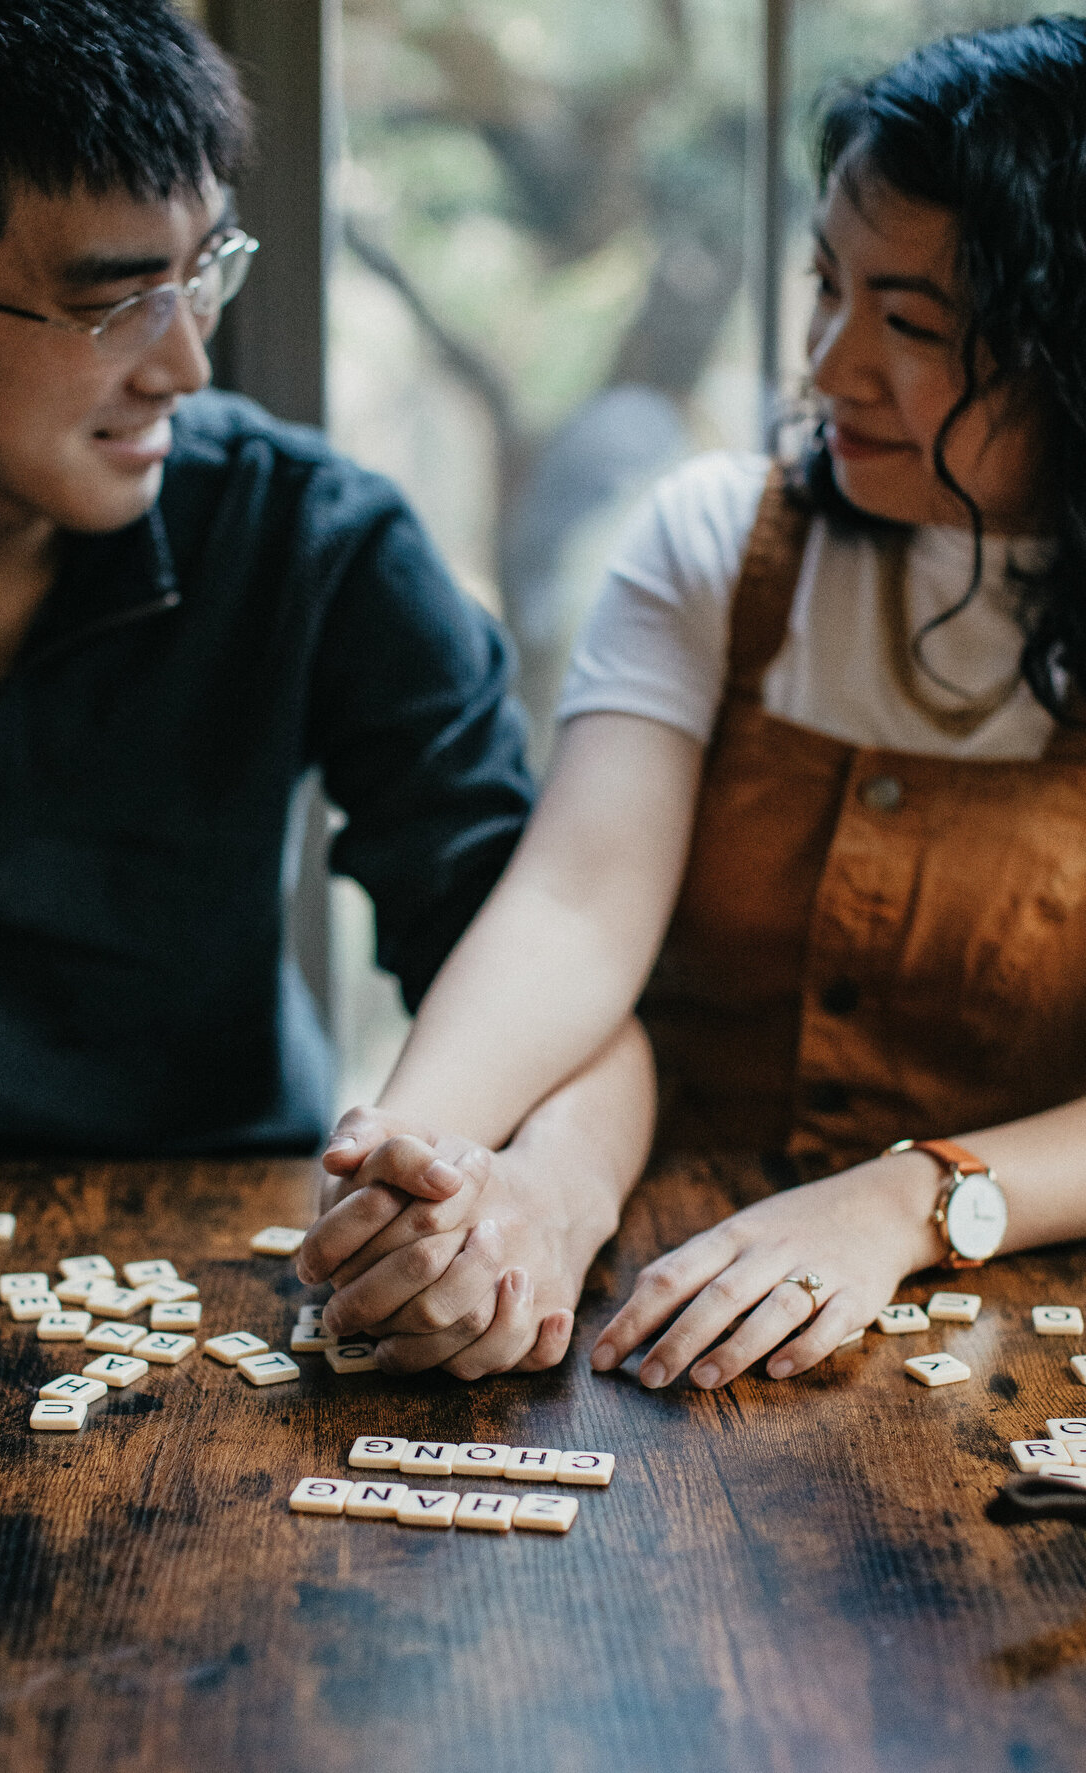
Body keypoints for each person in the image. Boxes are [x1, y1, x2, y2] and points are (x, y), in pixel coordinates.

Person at [301, 15, 1086, 1388]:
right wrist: (403, 1168)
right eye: (824, 285)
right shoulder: (715, 542)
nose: (831, 363)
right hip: (653, 1296)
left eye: (908, 322)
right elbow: (574, 910)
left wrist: (899, 1202)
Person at [0, 0, 654, 1369]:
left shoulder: (316, 541)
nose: (185, 361)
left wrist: (532, 1201)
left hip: (240, 1281)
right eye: (116, 299)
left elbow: (566, 990)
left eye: (204, 274)